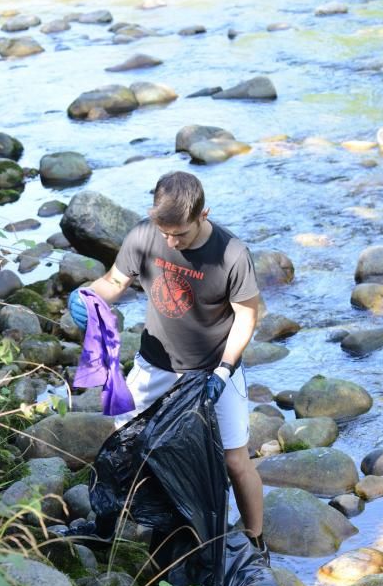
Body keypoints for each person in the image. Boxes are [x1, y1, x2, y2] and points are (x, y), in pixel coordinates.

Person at [68, 171, 268, 562]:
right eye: (167, 234)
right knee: (124, 448)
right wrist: (88, 295)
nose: (172, 242)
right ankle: (107, 526)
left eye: (181, 235)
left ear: (203, 213)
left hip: (213, 370)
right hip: (154, 364)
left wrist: (225, 370)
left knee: (234, 460)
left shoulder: (231, 254)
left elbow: (246, 318)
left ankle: (256, 542)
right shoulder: (144, 235)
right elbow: (114, 281)